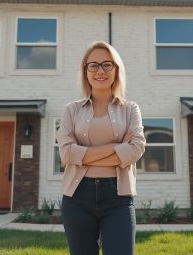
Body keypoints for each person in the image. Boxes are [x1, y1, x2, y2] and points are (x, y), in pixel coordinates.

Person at [56, 41, 146, 255]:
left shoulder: (130, 109)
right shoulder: (71, 110)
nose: (100, 71)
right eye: (93, 65)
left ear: (116, 70)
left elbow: (135, 149)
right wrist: (118, 147)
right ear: (85, 71)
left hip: (118, 197)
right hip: (77, 197)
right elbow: (66, 153)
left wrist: (83, 156)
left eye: (107, 64)